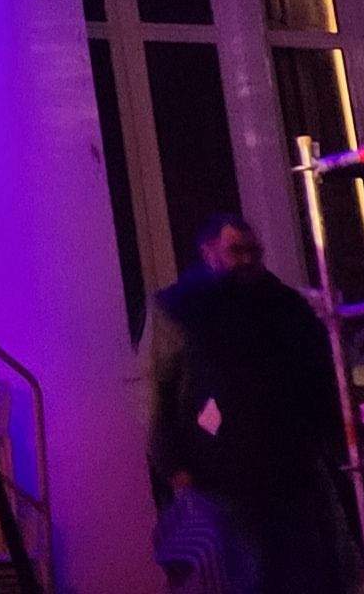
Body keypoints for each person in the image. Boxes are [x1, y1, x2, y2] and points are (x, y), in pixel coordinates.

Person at [143, 213, 352, 594]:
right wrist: (173, 465)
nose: (247, 260)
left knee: (294, 573)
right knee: (249, 575)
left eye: (252, 251)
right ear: (208, 252)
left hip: (286, 468)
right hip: (220, 471)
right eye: (236, 250)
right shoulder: (181, 309)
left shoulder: (283, 305)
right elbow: (160, 392)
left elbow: (317, 375)